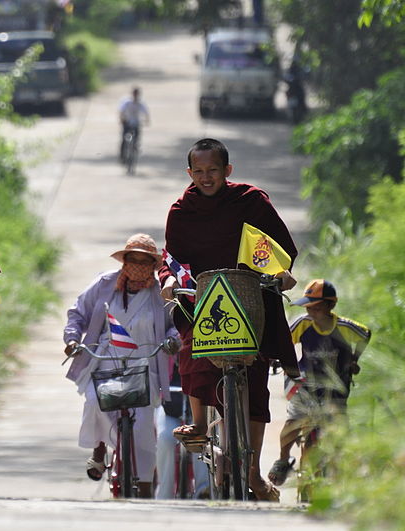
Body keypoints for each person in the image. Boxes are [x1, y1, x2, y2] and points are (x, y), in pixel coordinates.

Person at [158, 138, 299, 502]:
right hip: (204, 297)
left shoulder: (251, 201)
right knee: (194, 347)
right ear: (190, 173)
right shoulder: (181, 210)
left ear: (227, 171)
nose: (206, 178)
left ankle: (252, 473)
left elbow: (276, 247)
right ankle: (200, 424)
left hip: (250, 292)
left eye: (213, 171)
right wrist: (170, 281)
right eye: (199, 172)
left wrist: (281, 272)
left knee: (254, 379)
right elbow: (171, 259)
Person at [64, 233, 178, 499]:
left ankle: (147, 484)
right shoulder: (104, 284)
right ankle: (100, 447)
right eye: (133, 259)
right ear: (124, 260)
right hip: (107, 359)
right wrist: (72, 338)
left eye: (144, 261)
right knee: (95, 402)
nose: (138, 265)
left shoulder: (161, 292)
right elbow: (77, 312)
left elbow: (176, 325)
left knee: (142, 428)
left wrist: (173, 342)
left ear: (153, 264)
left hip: (146, 363)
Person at [267, 279, 371, 486]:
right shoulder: (303, 324)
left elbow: (365, 334)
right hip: (305, 386)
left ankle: (339, 469)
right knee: (293, 421)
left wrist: (354, 360)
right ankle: (283, 458)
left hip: (336, 389)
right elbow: (284, 340)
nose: (310, 311)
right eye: (308, 306)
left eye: (316, 307)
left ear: (331, 306)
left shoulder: (344, 327)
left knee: (338, 430)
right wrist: (275, 358)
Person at [154, 359, 209, 499]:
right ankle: (164, 494)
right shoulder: (165, 345)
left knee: (201, 440)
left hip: (200, 410)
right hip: (169, 407)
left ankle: (204, 490)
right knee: (165, 439)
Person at [117, 87, 150, 162]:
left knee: (137, 137)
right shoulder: (127, 102)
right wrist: (121, 119)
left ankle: (135, 147)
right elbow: (121, 111)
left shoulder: (140, 103)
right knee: (124, 138)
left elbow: (146, 113)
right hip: (127, 122)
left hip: (136, 123)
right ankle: (122, 155)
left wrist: (147, 120)